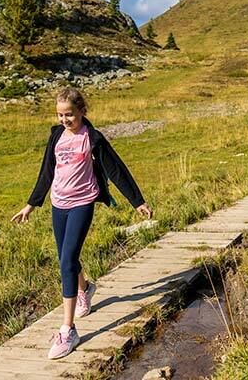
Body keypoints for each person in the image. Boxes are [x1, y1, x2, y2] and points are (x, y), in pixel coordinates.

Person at [12, 87, 153, 360]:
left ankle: (68, 329)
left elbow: (116, 169)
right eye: (60, 115)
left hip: (82, 203)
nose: (65, 119)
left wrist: (138, 201)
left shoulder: (93, 138)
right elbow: (46, 173)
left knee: (66, 261)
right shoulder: (56, 136)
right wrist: (31, 204)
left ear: (82, 112)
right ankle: (85, 288)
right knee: (66, 256)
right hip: (58, 204)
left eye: (70, 115)